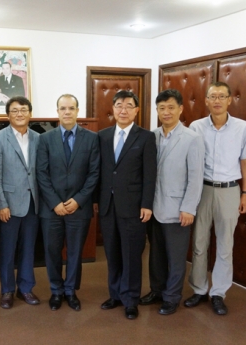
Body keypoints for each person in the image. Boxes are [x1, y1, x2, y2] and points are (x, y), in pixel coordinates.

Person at [184, 81, 246, 315]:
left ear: (229, 100)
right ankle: (198, 289)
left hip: (229, 191)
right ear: (206, 100)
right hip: (202, 190)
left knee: (225, 244)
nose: (217, 100)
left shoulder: (242, 128)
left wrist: (245, 193)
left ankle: (218, 293)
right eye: (212, 96)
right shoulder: (196, 127)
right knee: (199, 243)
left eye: (221, 96)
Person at [139, 89, 204, 315]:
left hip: (178, 210)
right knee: (155, 253)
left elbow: (196, 178)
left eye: (171, 107)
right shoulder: (151, 136)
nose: (166, 112)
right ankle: (156, 290)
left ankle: (172, 296)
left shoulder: (192, 138)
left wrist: (189, 208)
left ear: (180, 109)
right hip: (153, 207)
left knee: (176, 257)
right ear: (157, 110)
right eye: (162, 108)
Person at [36, 94, 100, 312]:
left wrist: (79, 200)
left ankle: (71, 291)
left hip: (78, 209)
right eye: (63, 108)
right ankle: (56, 291)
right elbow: (41, 174)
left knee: (74, 253)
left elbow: (94, 174)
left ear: (77, 111)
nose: (67, 112)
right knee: (52, 251)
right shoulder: (45, 138)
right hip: (51, 209)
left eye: (71, 108)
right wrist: (55, 203)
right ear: (57, 112)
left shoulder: (91, 138)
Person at [98, 90, 157, 320]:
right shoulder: (102, 136)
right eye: (119, 105)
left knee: (132, 254)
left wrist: (147, 203)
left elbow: (150, 174)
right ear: (113, 109)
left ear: (136, 110)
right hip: (107, 205)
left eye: (129, 105)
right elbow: (100, 171)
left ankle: (131, 299)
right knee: (112, 253)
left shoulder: (145, 137)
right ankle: (115, 294)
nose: (123, 110)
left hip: (134, 207)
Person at [0, 96, 40, 309]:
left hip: (33, 202)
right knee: (7, 250)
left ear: (30, 113)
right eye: (15, 110)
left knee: (29, 249)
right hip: (8, 204)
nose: (20, 114)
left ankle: (25, 289)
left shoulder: (39, 137)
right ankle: (7, 290)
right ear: (8, 115)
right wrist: (1, 204)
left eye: (24, 110)